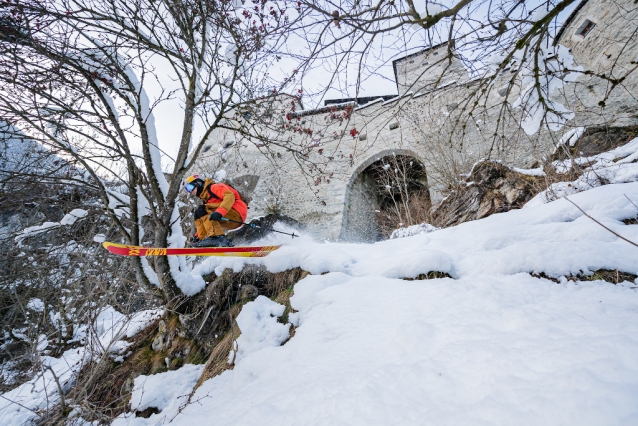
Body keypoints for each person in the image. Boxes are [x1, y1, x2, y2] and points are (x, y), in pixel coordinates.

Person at [183, 174, 248, 247]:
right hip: (229, 220)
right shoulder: (207, 201)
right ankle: (204, 239)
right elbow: (206, 220)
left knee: (201, 209)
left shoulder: (214, 187)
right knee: (198, 212)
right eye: (187, 190)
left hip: (236, 212)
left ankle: (218, 237)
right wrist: (198, 237)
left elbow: (229, 196)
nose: (190, 191)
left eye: (190, 187)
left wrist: (220, 212)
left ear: (198, 183)